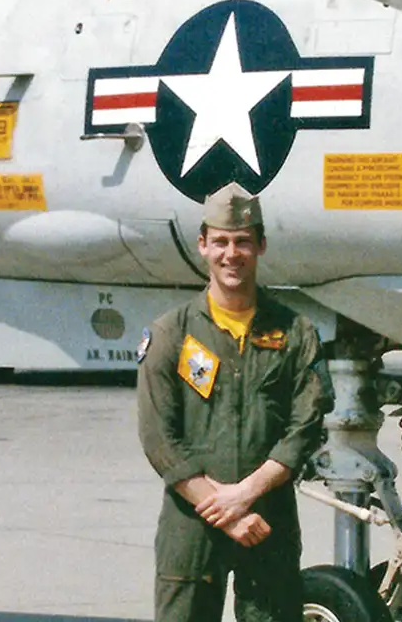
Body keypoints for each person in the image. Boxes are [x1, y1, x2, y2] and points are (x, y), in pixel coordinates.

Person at [136, 182, 326, 621]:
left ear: (261, 245)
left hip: (267, 522)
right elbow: (157, 436)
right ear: (202, 245)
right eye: (220, 241)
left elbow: (306, 426)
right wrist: (227, 510)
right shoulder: (172, 333)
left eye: (242, 242)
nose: (231, 254)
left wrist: (246, 494)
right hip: (191, 528)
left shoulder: (296, 332)